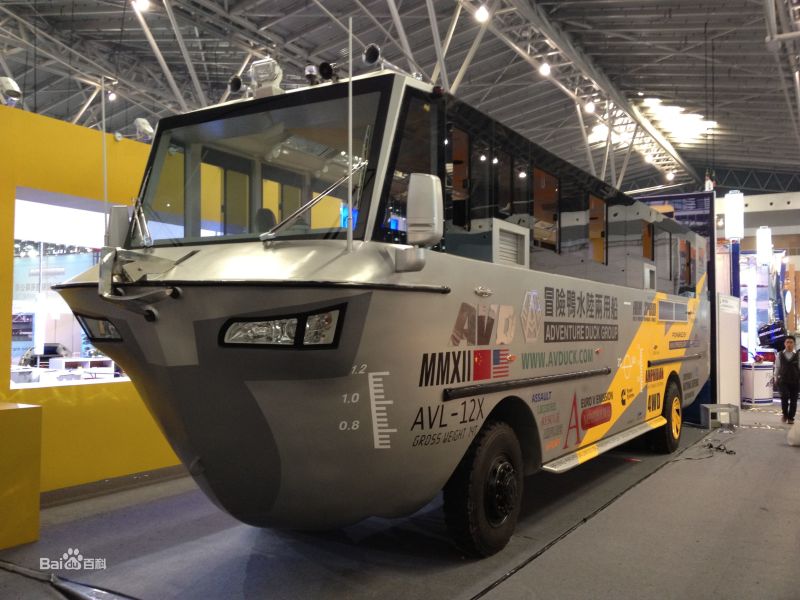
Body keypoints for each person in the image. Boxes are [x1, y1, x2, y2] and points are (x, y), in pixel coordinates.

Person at [773, 335, 799, 424]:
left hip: (795, 381)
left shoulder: (798, 355)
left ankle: (791, 417)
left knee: (794, 400)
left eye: (791, 342)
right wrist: (775, 377)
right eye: (787, 342)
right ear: (784, 343)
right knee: (784, 396)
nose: (789, 344)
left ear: (794, 344)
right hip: (783, 380)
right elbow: (777, 367)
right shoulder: (779, 354)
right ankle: (785, 414)